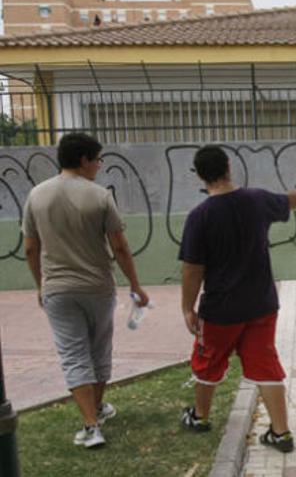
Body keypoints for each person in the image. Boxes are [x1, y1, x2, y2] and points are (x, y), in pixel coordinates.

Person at [178, 146, 296, 453]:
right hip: (261, 304)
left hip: (220, 310)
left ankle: (200, 417)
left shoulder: (199, 216)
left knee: (208, 362)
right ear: (229, 166)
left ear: (200, 176)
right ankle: (280, 433)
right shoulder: (257, 200)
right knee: (265, 363)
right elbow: (288, 200)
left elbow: (192, 268)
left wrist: (188, 307)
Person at [22, 132, 150, 449]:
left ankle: (91, 423)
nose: (99, 165)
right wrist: (135, 285)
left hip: (58, 289)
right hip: (98, 287)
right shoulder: (100, 196)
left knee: (73, 354)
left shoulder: (36, 196)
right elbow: (119, 246)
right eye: (97, 159)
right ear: (84, 160)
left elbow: (30, 248)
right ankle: (96, 414)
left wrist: (42, 285)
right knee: (99, 350)